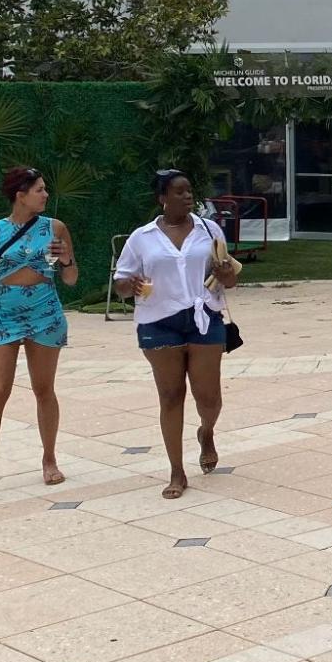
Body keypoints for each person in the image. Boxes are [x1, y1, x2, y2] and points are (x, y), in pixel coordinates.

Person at [113, 170, 241, 500]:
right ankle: (176, 470)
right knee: (171, 396)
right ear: (162, 198)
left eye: (190, 191)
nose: (188, 197)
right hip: (158, 322)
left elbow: (228, 277)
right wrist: (132, 285)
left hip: (204, 319)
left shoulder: (209, 229)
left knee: (208, 397)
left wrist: (227, 274)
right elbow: (122, 283)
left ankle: (206, 431)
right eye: (179, 192)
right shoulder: (141, 238)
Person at [0, 167, 77, 506]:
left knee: (43, 389)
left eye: (44, 189)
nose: (45, 194)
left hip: (44, 312)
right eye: (39, 189)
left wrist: (66, 260)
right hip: (2, 314)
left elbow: (69, 279)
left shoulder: (55, 228)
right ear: (20, 195)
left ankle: (49, 458)